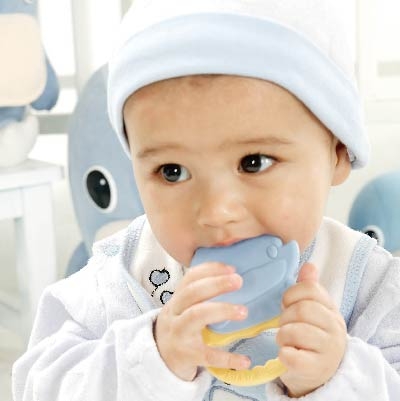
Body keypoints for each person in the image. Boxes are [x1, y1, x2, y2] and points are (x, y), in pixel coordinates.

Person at [12, 0, 400, 400]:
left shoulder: (372, 289)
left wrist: (338, 379)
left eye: (254, 162)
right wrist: (149, 359)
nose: (216, 211)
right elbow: (38, 387)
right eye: (172, 171)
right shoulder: (120, 278)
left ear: (338, 153)